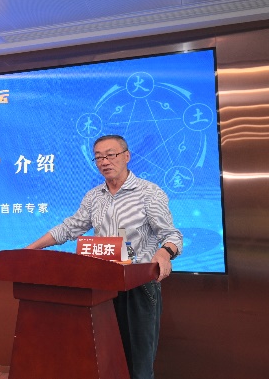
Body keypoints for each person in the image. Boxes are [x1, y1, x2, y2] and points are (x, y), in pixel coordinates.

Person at [26, 134, 182, 379]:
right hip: (100, 286)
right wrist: (30, 249)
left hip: (138, 286)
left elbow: (171, 234)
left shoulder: (149, 193)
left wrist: (165, 253)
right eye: (98, 157)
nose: (104, 162)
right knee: (105, 359)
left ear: (127, 156)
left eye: (111, 155)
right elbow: (69, 228)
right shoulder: (93, 196)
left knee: (138, 365)